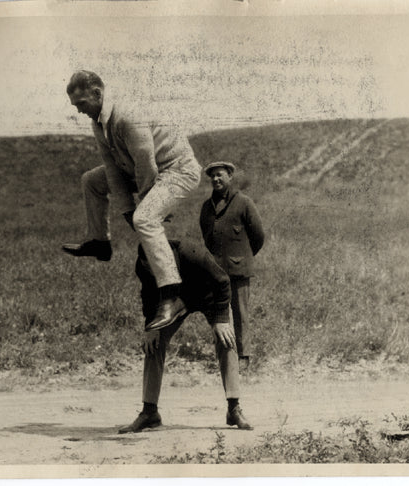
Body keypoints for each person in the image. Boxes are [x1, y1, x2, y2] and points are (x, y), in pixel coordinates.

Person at [63, 70, 201, 330]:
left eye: (81, 104)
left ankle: (172, 295)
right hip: (138, 168)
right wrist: (126, 209)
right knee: (91, 180)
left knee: (146, 219)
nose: (79, 111)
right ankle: (100, 242)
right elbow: (112, 169)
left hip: (176, 169)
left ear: (97, 93)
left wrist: (144, 209)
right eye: (75, 106)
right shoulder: (98, 122)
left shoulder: (127, 115)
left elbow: (146, 165)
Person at [118, 239, 253, 433]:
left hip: (210, 297)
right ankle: (150, 412)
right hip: (176, 302)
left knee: (227, 339)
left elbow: (223, 282)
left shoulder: (192, 253)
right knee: (153, 342)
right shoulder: (143, 265)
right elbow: (148, 295)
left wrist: (222, 319)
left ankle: (234, 408)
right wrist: (151, 327)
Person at [199, 162, 265, 371]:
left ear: (229, 177)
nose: (216, 180)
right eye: (213, 177)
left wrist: (242, 258)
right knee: (219, 314)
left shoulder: (244, 203)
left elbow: (258, 237)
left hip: (239, 271)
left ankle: (244, 357)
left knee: (240, 313)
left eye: (220, 175)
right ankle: (224, 354)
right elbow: (207, 237)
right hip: (216, 273)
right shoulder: (207, 207)